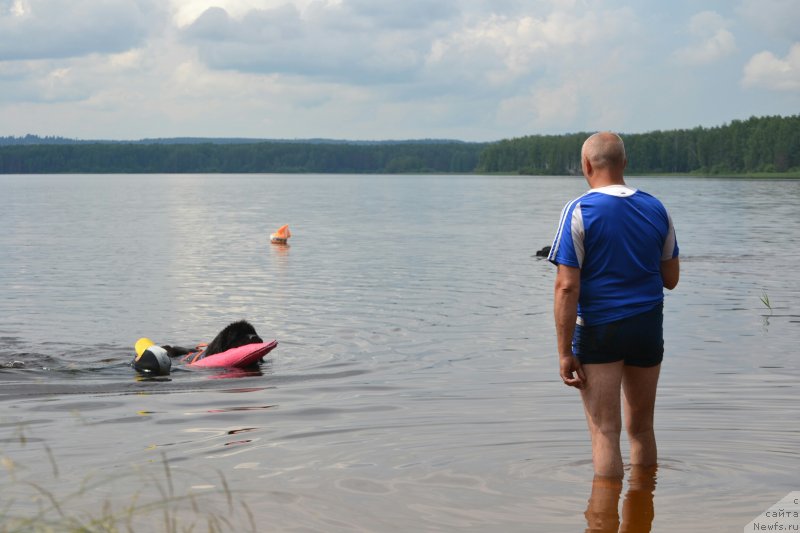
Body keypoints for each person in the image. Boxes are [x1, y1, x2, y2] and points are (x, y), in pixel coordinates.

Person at [548, 132, 679, 479]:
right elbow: (671, 278)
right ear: (625, 164)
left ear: (586, 165)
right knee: (642, 429)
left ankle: (602, 521)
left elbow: (566, 287)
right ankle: (641, 509)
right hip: (647, 327)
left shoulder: (579, 210)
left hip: (600, 329)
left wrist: (564, 352)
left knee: (605, 432)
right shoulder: (657, 208)